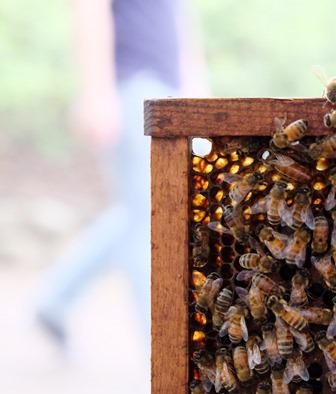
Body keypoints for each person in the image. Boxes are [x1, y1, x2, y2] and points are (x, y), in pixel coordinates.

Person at [37, 0, 208, 345]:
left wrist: (198, 93)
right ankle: (163, 343)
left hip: (168, 88)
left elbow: (178, 20)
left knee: (139, 213)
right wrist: (96, 91)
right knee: (152, 218)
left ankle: (54, 298)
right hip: (131, 87)